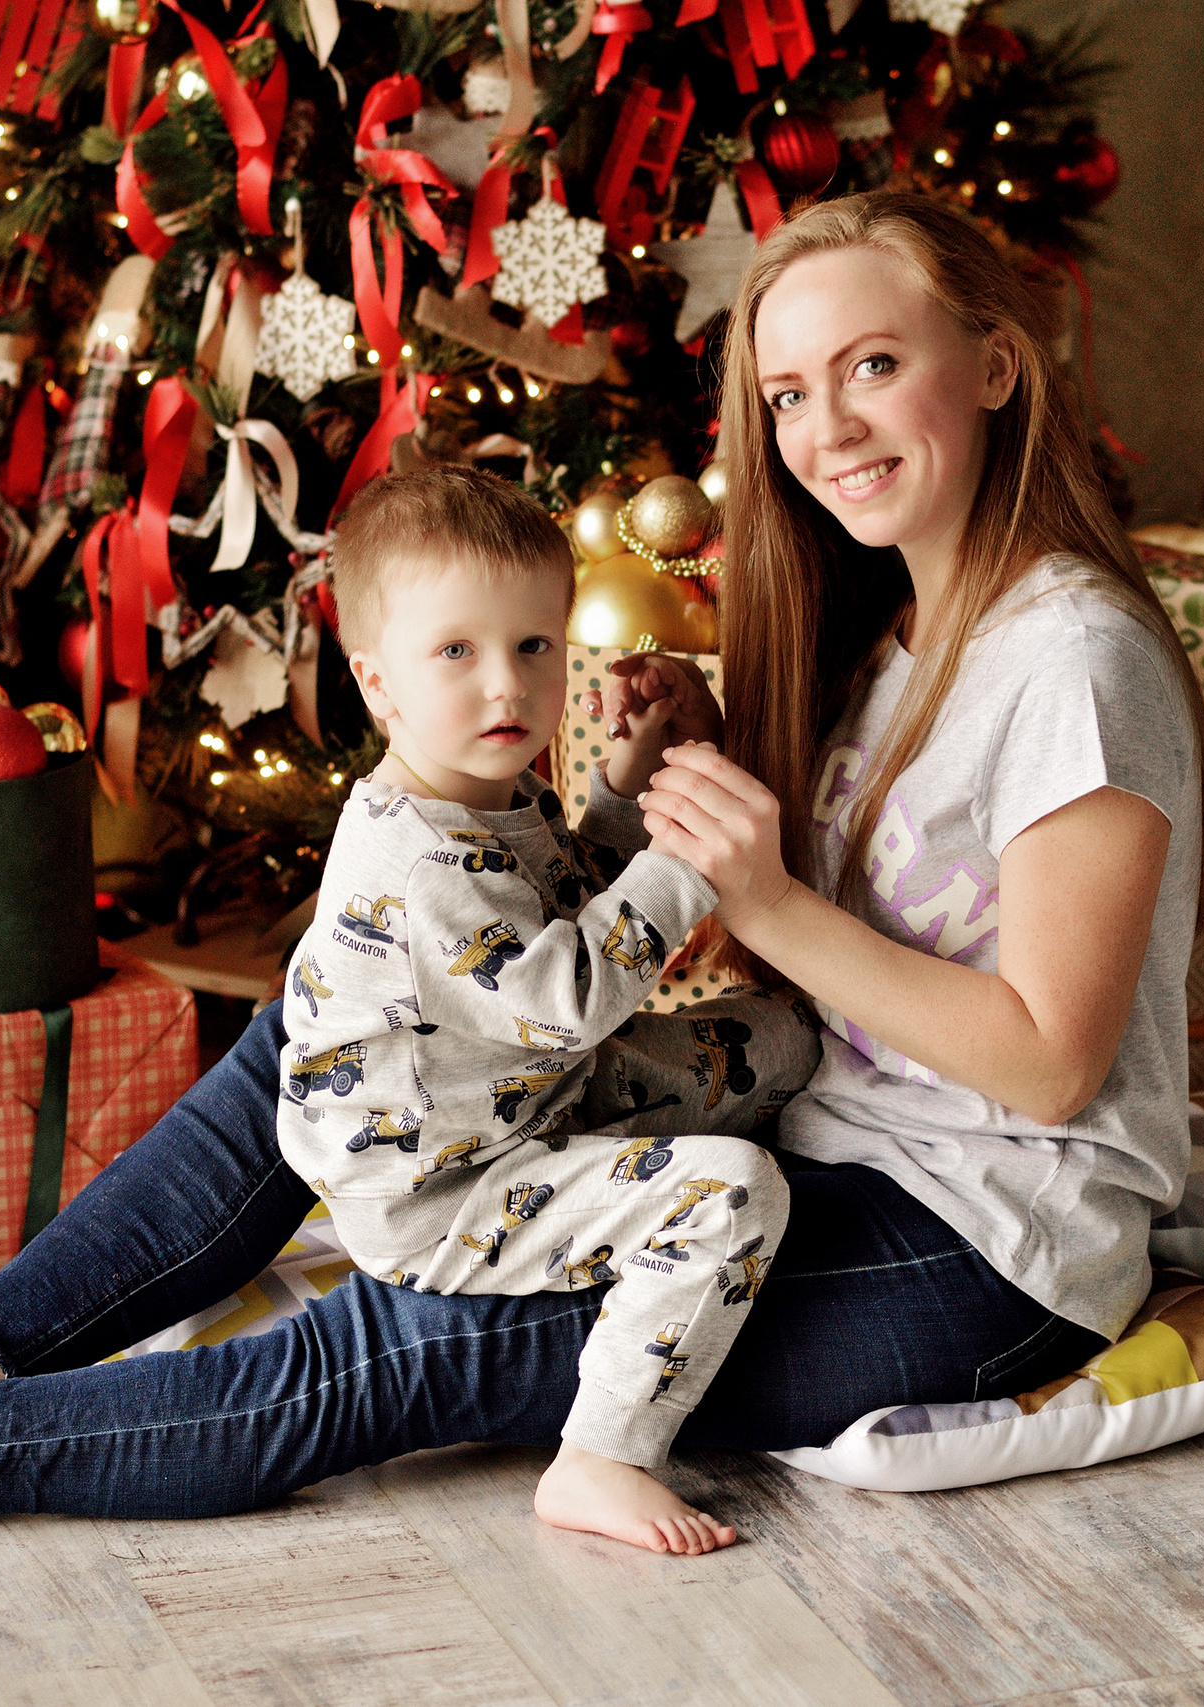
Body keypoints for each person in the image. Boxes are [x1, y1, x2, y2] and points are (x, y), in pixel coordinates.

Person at [0, 188, 1204, 1551]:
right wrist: (691, 757)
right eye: (790, 392)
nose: (826, 427)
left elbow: (1048, 1053)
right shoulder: (907, 627)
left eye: (876, 368)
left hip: (977, 1250)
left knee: (409, 1334)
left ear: (996, 366)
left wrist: (764, 898)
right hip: (827, 1130)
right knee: (336, 1033)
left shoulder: (1071, 659)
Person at [272, 466, 814, 1552]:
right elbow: (568, 996)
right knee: (732, 1194)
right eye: (456, 653)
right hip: (450, 1187)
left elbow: (566, 902)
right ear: (377, 683)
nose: (506, 690)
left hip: (528, 1093)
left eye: (534, 647)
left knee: (784, 1035)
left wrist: (622, 792)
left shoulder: (484, 789)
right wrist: (686, 858)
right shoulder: (413, 857)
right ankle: (604, 1457)